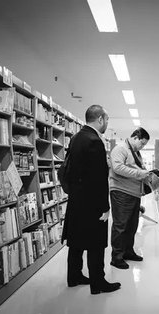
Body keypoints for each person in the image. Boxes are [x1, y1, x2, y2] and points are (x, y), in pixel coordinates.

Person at [61, 105, 121, 294]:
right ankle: (98, 283)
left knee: (76, 241)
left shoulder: (76, 137)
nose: (107, 124)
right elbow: (98, 178)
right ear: (100, 119)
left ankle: (74, 276)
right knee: (96, 244)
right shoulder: (94, 141)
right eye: (107, 120)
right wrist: (105, 207)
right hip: (92, 203)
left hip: (76, 200)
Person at [109, 127, 152, 269]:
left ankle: (128, 251)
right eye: (142, 143)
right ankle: (116, 257)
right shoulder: (120, 149)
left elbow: (135, 169)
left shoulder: (135, 152)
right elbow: (117, 168)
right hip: (121, 192)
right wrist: (140, 174)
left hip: (133, 193)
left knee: (131, 225)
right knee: (120, 226)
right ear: (135, 138)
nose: (143, 146)